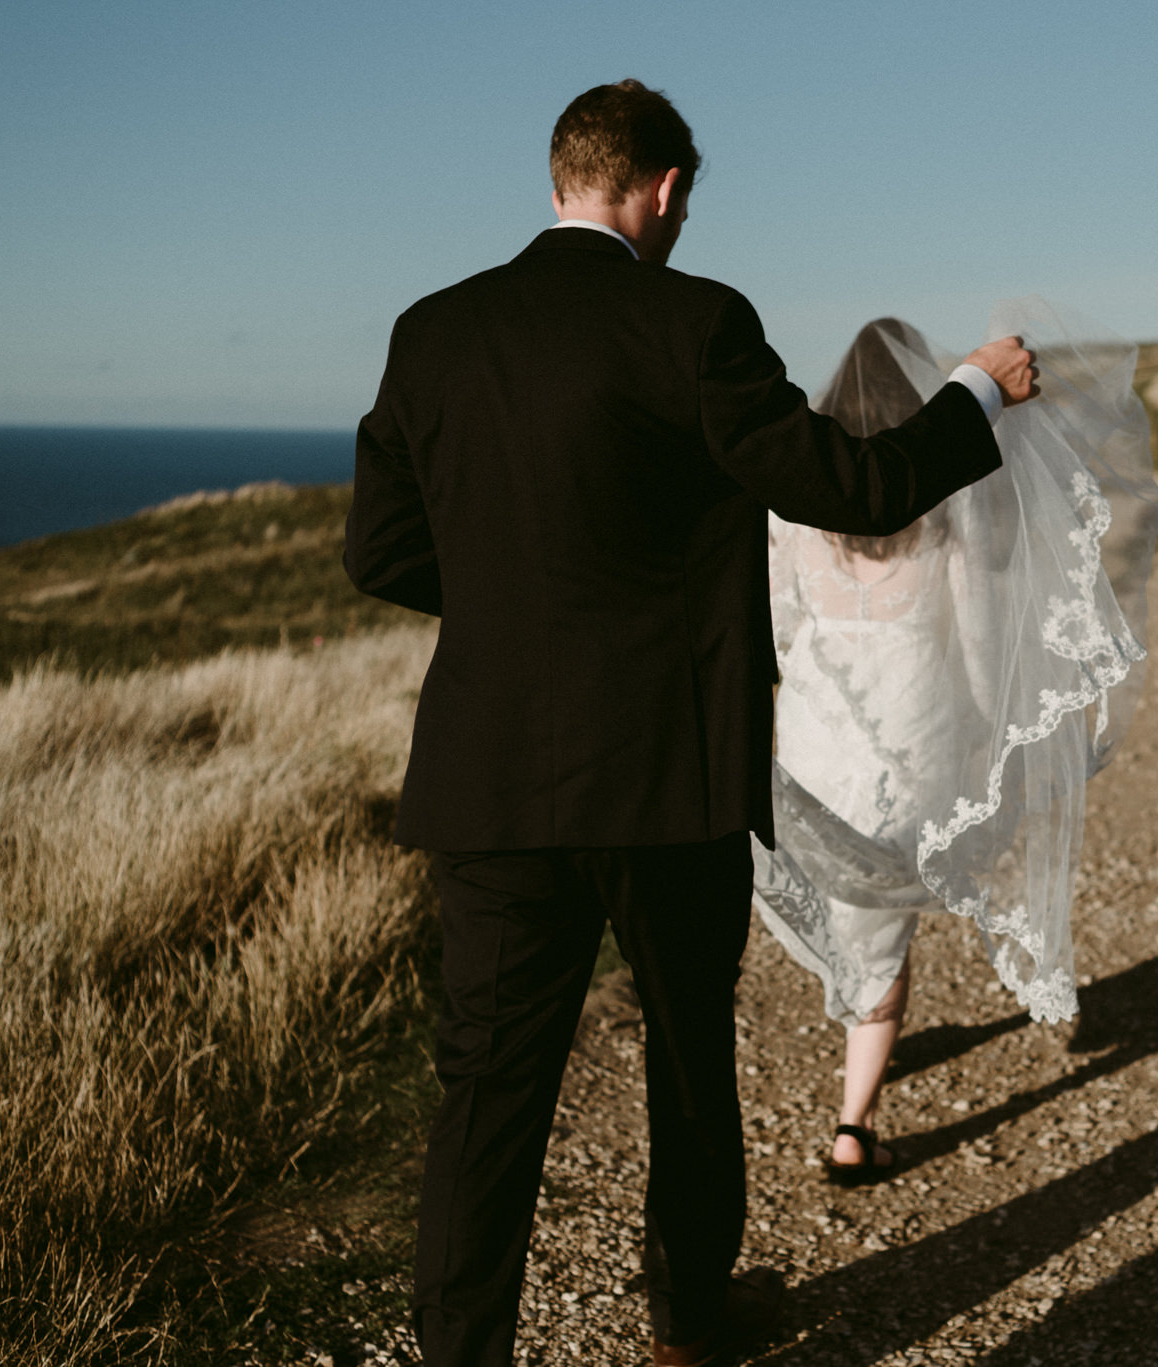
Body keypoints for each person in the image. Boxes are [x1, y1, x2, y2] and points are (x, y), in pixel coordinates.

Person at [343, 79, 1038, 1367]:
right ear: (662, 189)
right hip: (671, 776)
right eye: (683, 199)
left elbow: (380, 547)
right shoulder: (696, 323)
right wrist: (975, 391)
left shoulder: (430, 332)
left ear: (560, 179)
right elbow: (855, 483)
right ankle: (684, 1326)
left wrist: (516, 609)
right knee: (682, 1059)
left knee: (485, 1098)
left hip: (490, 780)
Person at [753, 306, 1158, 1183]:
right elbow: (981, 639)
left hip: (818, 738)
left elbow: (781, 627)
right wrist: (989, 726)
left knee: (844, 894)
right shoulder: (945, 498)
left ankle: (863, 1010)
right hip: (918, 739)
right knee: (886, 926)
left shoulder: (797, 506)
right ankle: (852, 1126)